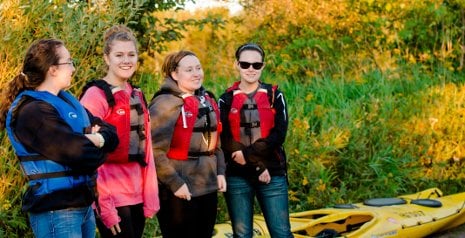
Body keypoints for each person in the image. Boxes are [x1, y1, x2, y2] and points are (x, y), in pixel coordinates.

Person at [0, 39, 119, 238]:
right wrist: (96, 142)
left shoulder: (67, 101)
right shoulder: (33, 111)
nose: (73, 68)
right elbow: (80, 155)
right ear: (52, 69)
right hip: (56, 211)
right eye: (69, 62)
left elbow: (112, 134)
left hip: (83, 206)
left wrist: (94, 140)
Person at [79, 25, 159, 238]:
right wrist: (105, 207)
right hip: (111, 198)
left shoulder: (136, 94)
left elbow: (147, 149)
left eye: (131, 54)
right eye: (119, 55)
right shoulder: (95, 96)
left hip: (137, 195)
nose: (126, 60)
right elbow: (88, 156)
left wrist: (151, 197)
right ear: (107, 58)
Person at [149, 50, 227, 238]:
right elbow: (154, 150)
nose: (196, 73)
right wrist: (175, 183)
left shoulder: (206, 99)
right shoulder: (165, 103)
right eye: (189, 69)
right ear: (175, 74)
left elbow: (215, 144)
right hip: (179, 188)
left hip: (206, 184)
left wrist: (220, 171)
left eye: (198, 68)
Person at [218, 43, 293, 238]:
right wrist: (257, 165)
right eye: (245, 64)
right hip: (238, 175)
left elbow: (279, 134)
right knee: (242, 235)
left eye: (256, 65)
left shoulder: (275, 95)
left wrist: (250, 156)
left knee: (281, 233)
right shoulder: (225, 99)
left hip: (273, 173)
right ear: (237, 65)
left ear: (263, 66)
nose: (250, 69)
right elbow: (225, 138)